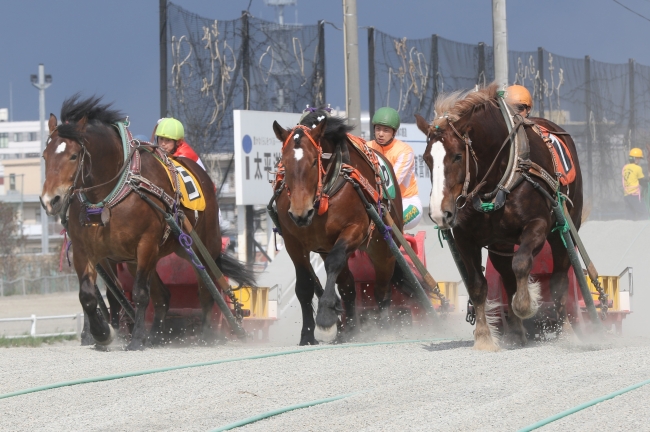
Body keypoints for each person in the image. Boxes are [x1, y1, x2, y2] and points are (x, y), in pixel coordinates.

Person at [367, 107, 422, 230]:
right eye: (378, 129)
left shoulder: (405, 151)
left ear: (394, 132)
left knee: (387, 221)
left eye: (386, 130)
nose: (380, 134)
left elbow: (390, 184)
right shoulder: (367, 147)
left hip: (406, 202)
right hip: (377, 203)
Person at [622, 147, 649, 220]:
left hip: (626, 196)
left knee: (630, 218)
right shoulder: (638, 168)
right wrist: (648, 184)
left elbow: (632, 178)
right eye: (639, 158)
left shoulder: (625, 167)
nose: (639, 160)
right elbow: (642, 182)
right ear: (635, 159)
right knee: (644, 213)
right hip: (634, 195)